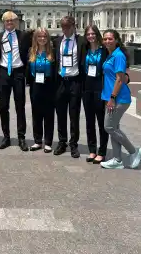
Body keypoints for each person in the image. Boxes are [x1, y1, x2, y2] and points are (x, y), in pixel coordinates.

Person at [100, 30, 141, 169]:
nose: (107, 41)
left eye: (110, 39)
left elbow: (120, 79)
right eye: (105, 39)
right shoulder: (111, 54)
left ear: (116, 40)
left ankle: (133, 151)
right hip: (111, 96)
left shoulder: (118, 55)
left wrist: (112, 98)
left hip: (119, 98)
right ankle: (117, 160)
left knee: (109, 127)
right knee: (114, 127)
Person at [0, 11, 31, 151]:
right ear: (3, 22)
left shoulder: (24, 36)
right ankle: (6, 137)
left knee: (20, 106)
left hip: (18, 72)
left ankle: (21, 137)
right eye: (7, 21)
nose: (9, 23)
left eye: (12, 21)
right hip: (4, 72)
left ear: (16, 22)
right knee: (3, 106)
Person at [54, 16, 86, 158]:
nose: (65, 29)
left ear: (74, 26)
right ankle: (62, 142)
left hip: (75, 82)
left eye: (67, 26)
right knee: (60, 114)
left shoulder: (81, 41)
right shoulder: (57, 41)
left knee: (74, 115)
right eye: (63, 26)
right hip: (61, 81)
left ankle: (74, 144)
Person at [82, 25, 109, 164]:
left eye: (93, 34)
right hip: (87, 88)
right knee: (89, 121)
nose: (90, 36)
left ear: (97, 35)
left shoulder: (104, 50)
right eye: (88, 34)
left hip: (100, 88)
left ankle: (102, 151)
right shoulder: (85, 49)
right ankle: (92, 149)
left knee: (101, 122)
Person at [27, 28, 55, 153]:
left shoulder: (52, 52)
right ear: (36, 38)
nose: (42, 39)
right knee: (36, 114)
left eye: (44, 36)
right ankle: (38, 140)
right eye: (39, 36)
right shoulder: (31, 52)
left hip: (49, 84)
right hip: (35, 84)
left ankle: (48, 142)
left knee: (48, 114)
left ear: (47, 38)